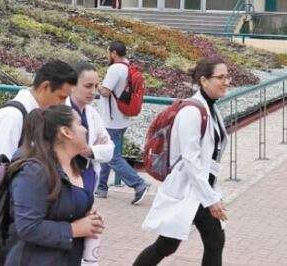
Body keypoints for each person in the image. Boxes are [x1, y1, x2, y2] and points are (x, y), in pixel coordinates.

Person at [134, 57, 231, 266]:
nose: (226, 81)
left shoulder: (210, 109)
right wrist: (211, 199)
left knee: (170, 244)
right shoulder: (192, 112)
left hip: (198, 188)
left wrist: (212, 192)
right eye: (220, 77)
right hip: (189, 189)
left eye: (227, 76)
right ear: (204, 81)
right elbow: (191, 160)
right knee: (212, 241)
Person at [6, 105, 104, 265]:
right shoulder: (33, 172)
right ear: (66, 132)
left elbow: (68, 211)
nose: (85, 130)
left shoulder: (75, 167)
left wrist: (90, 220)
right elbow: (28, 227)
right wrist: (74, 229)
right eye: (79, 124)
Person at [0, 60, 78, 169]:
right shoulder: (11, 117)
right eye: (61, 98)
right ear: (45, 87)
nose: (63, 105)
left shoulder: (41, 115)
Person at [96, 43, 149, 203]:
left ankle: (139, 184)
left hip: (111, 120)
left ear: (113, 53)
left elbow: (105, 92)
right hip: (122, 119)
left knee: (111, 156)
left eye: (108, 53)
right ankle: (101, 187)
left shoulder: (115, 69)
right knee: (106, 151)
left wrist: (97, 84)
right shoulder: (128, 67)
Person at [68, 62, 114, 180]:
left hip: (87, 178)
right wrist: (95, 150)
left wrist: (89, 150)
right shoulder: (59, 111)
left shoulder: (93, 114)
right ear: (72, 85)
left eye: (96, 86)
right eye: (88, 86)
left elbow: (109, 150)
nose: (93, 91)